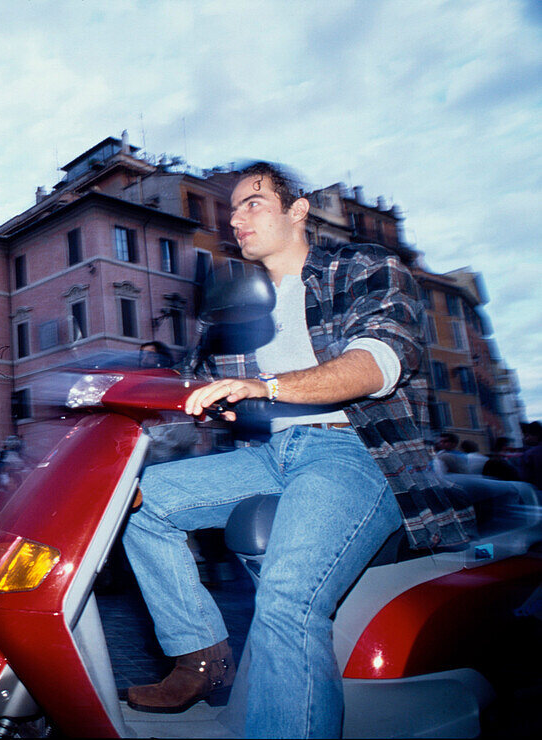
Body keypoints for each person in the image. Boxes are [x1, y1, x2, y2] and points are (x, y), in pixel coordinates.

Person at [123, 162, 475, 737]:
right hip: (270, 456)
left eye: (253, 203)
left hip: (357, 452)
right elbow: (184, 390)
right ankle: (200, 658)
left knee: (287, 602)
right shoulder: (237, 303)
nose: (236, 218)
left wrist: (267, 388)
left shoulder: (363, 266)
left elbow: (378, 363)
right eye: (232, 209)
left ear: (298, 211)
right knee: (137, 503)